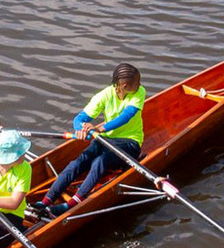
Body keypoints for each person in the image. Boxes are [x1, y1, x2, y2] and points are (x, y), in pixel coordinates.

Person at [34, 63, 146, 218]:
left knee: (100, 161)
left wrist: (99, 129)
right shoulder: (105, 95)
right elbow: (80, 118)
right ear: (125, 85)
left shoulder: (139, 92)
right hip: (106, 140)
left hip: (130, 142)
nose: (140, 85)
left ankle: (72, 203)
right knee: (79, 161)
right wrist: (80, 129)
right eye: (137, 82)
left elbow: (126, 117)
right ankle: (45, 201)